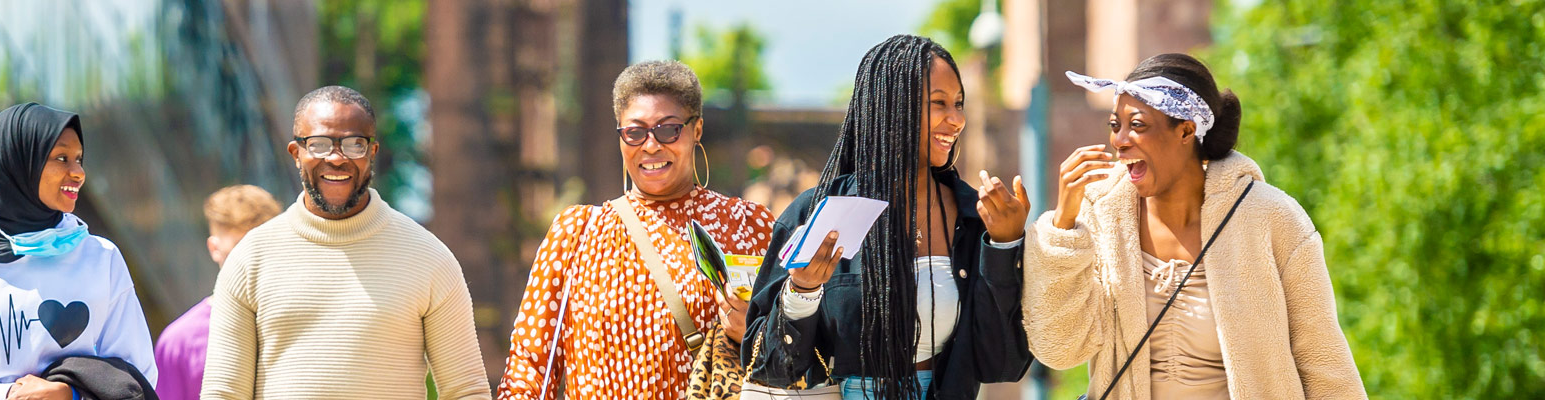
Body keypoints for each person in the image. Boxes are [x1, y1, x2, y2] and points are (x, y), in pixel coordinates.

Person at [1023, 53, 1365, 399]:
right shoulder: (1102, 218)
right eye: (1116, 125)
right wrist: (1064, 224)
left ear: (1186, 130)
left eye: (1137, 125)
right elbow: (1058, 349)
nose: (1120, 140)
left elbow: (1325, 364)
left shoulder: (1271, 218)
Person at [741, 35, 1033, 400]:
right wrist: (802, 292)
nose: (956, 119)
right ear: (892, 107)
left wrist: (1005, 245)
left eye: (959, 104)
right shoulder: (818, 213)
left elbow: (1002, 364)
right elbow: (768, 366)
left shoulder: (974, 218)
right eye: (939, 103)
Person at [498, 60, 776, 399]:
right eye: (635, 132)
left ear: (697, 130)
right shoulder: (578, 233)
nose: (651, 145)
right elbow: (529, 369)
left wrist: (755, 332)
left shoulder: (748, 225)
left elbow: (803, 352)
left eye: (668, 129)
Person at [200, 86, 492, 399]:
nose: (337, 158)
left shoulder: (429, 258)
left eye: (355, 144)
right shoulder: (249, 259)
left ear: (373, 153)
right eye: (319, 144)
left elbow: (466, 390)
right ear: (296, 154)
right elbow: (224, 391)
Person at [0, 102, 156, 399]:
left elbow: (139, 377)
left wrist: (70, 394)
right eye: (62, 158)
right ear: (17, 163)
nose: (79, 173)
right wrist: (7, 396)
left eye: (79, 159)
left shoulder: (101, 258)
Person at [153, 185, 281, 400]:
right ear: (214, 249)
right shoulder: (179, 342)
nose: (254, 263)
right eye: (240, 251)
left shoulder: (306, 320)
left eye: (264, 249)